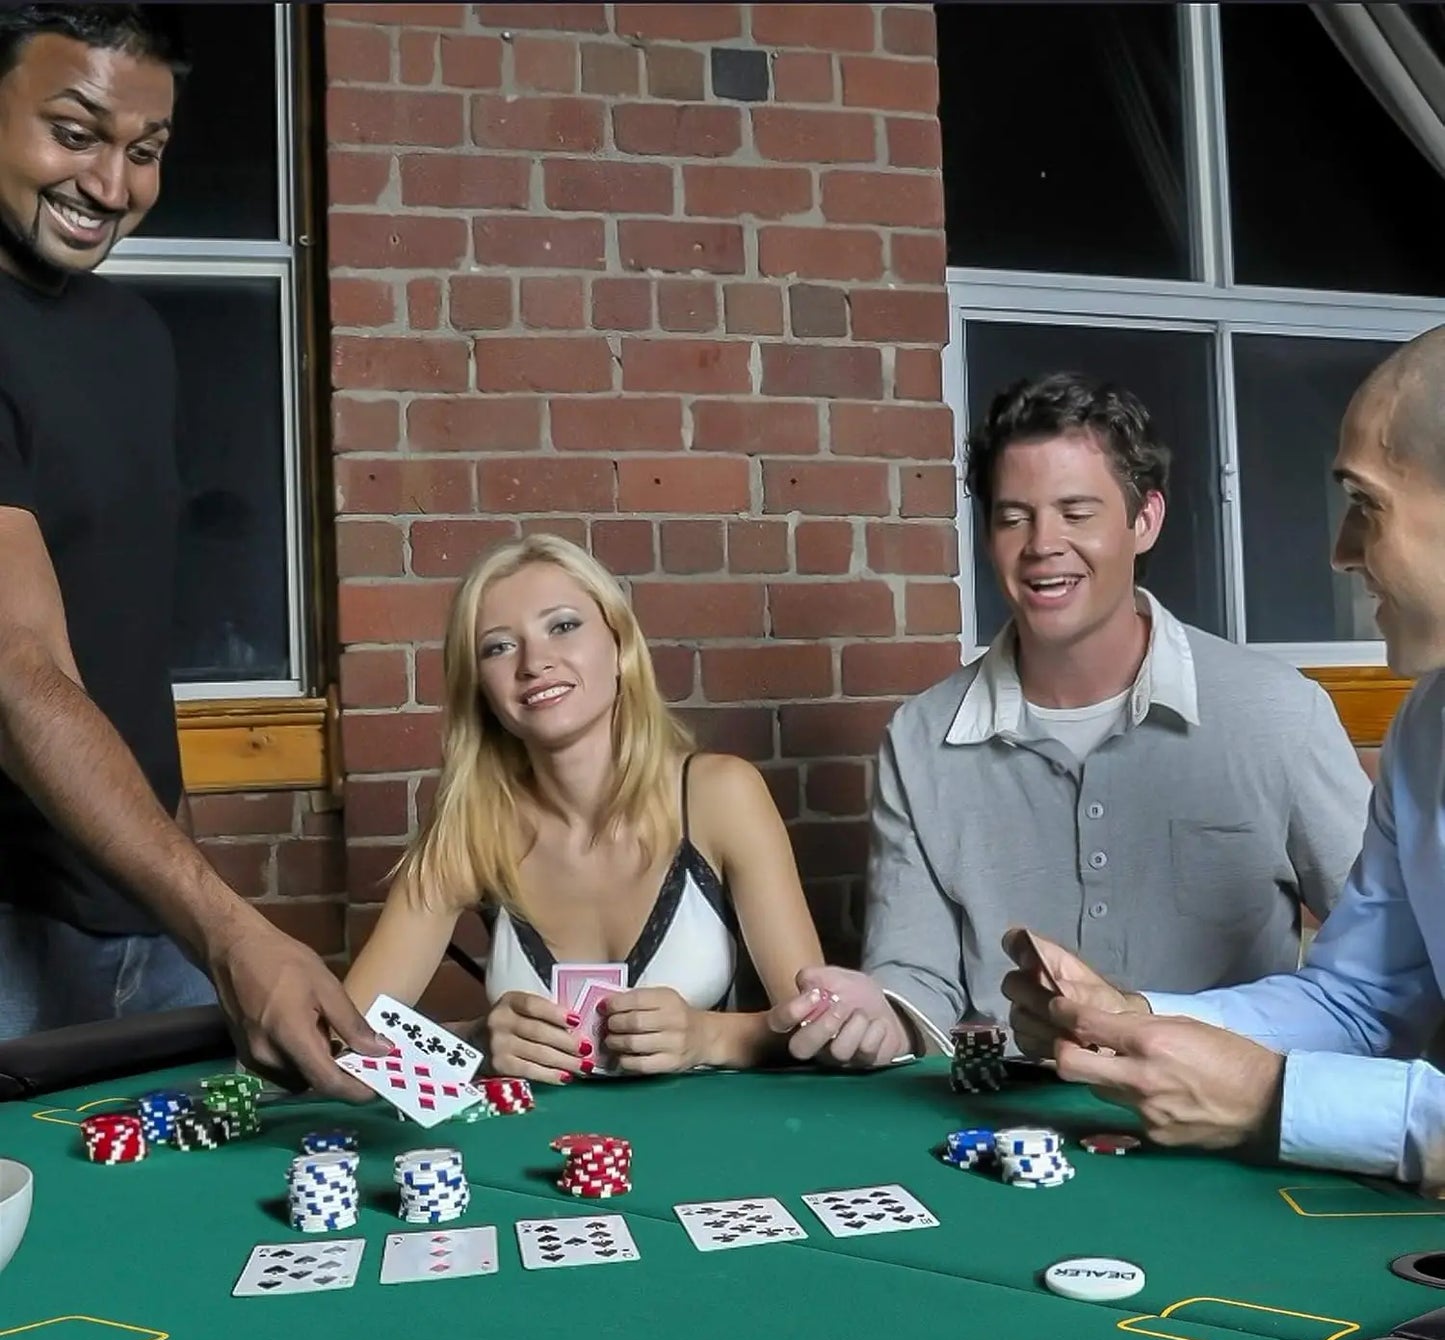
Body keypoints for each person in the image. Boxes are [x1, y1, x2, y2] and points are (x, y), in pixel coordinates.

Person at [0, 5, 385, 1093]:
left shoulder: (135, 340)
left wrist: (191, 912)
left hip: (149, 921)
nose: (111, 186)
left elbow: (122, 665)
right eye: (73, 133)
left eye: (146, 151)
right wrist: (228, 927)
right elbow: (17, 675)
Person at [768, 372, 1370, 1068]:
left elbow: (1386, 957)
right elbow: (916, 979)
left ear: (1143, 520)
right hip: (1005, 1129)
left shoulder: (1278, 713)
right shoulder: (920, 737)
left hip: (1223, 1119)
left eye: (1076, 511)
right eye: (1012, 515)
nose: (1041, 543)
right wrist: (880, 1012)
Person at [1001, 327, 1445, 1190]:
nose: (1340, 549)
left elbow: (1288, 1082)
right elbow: (1358, 1003)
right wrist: (1132, 1018)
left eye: (1366, 502)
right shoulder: (1426, 727)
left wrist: (1269, 1098)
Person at [343, 533, 835, 1083]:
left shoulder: (720, 794)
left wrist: (709, 1036)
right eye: (499, 647)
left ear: (620, 647)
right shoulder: (470, 825)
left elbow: (818, 1028)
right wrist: (475, 1046)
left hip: (707, 1148)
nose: (534, 663)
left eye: (563, 626)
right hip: (533, 1158)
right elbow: (345, 1041)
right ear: (480, 690)